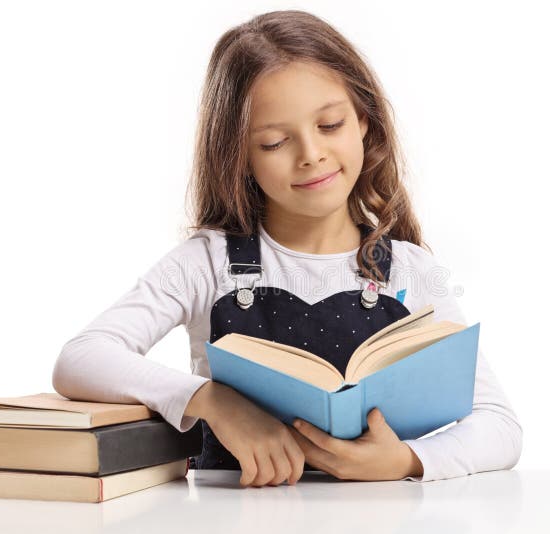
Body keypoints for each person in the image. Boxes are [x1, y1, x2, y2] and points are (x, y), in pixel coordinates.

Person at [51, 9, 522, 488]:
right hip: (234, 515)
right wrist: (212, 399)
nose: (310, 154)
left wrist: (405, 461)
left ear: (363, 120)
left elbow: (499, 426)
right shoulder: (207, 262)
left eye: (331, 125)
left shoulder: (410, 271)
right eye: (275, 142)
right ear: (239, 156)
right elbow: (83, 356)